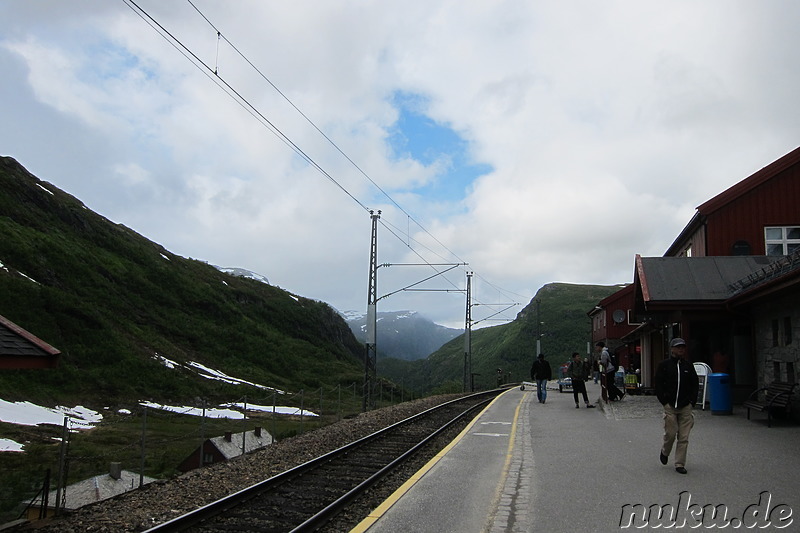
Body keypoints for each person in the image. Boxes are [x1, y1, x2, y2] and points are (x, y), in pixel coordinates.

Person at [655, 338, 699, 475]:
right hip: (670, 405)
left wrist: (692, 401)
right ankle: (665, 451)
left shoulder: (688, 366)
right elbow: (658, 384)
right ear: (672, 349)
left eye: (683, 347)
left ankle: (680, 463)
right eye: (678, 347)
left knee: (684, 437)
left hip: (685, 405)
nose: (681, 349)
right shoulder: (664, 365)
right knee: (671, 433)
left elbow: (695, 384)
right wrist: (664, 401)